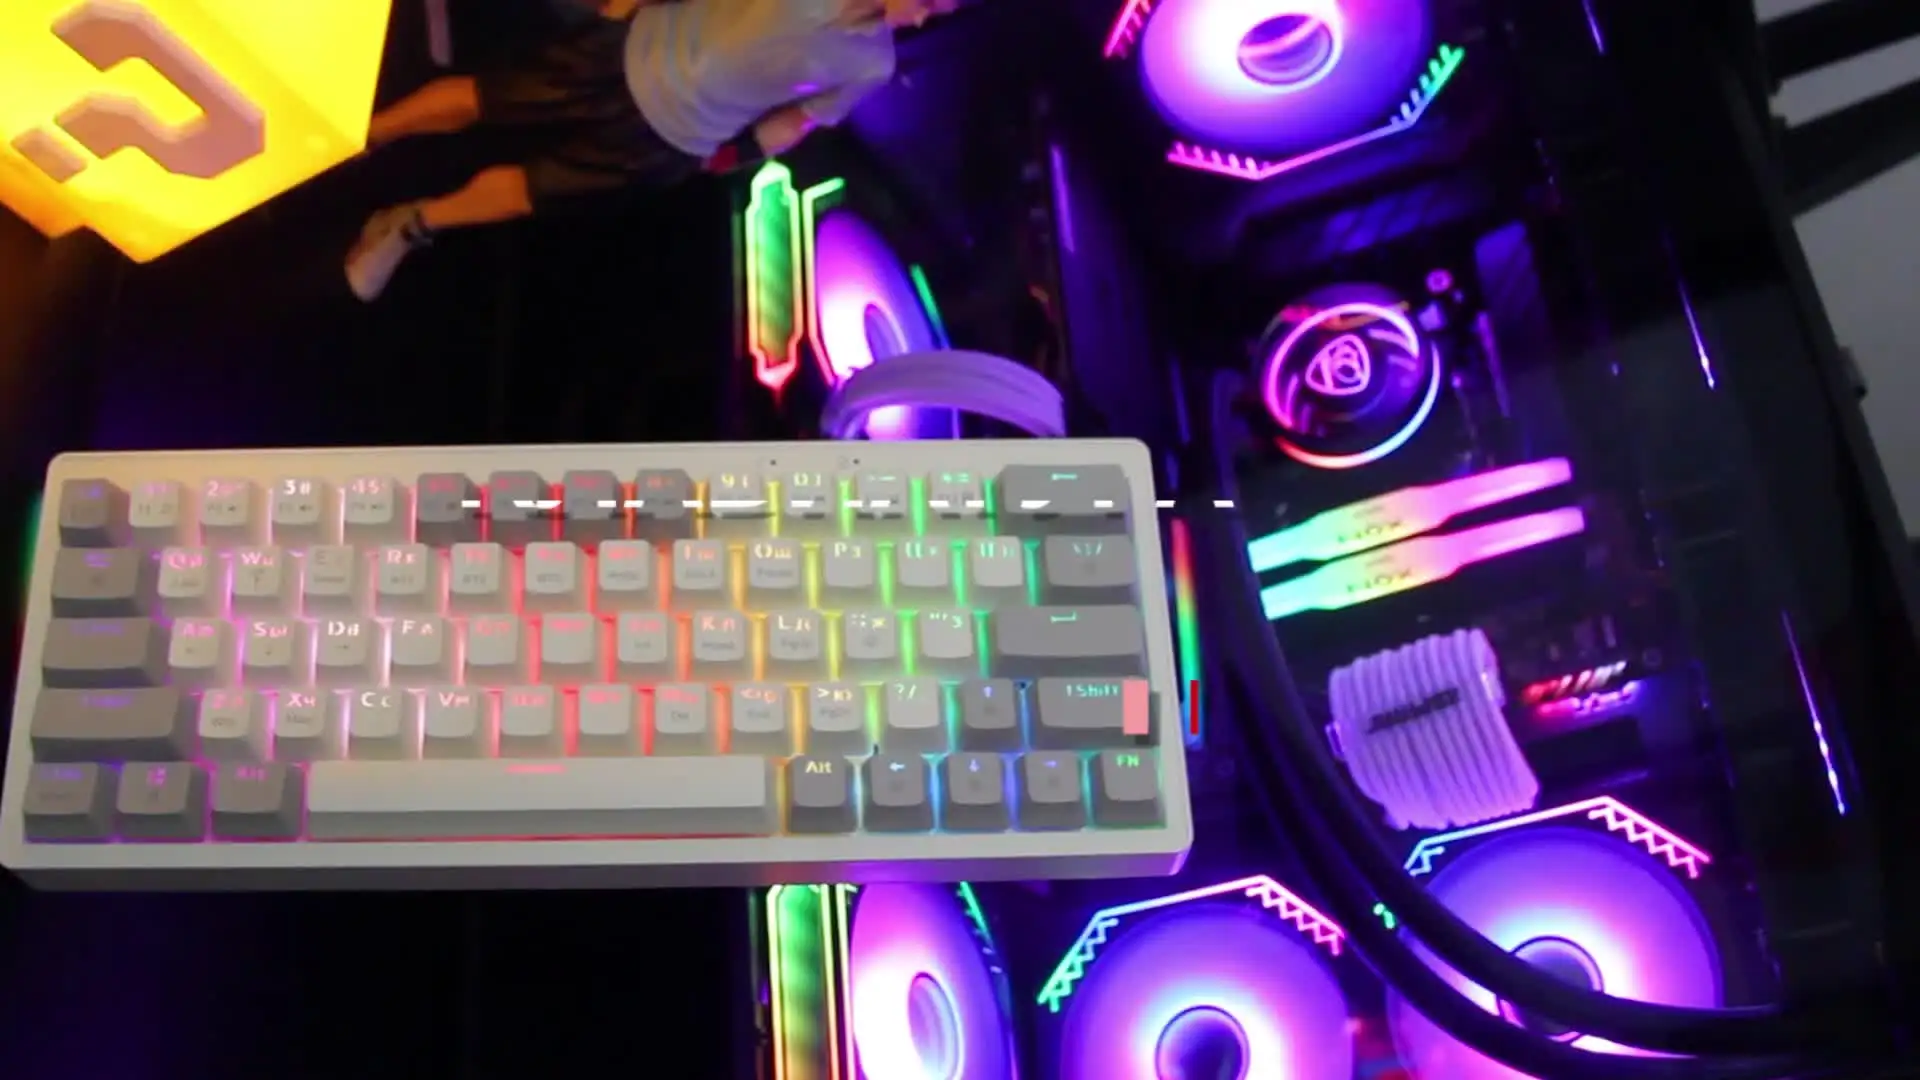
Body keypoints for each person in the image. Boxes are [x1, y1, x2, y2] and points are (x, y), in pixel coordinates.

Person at [344, 0, 959, 302]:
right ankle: (361, 135)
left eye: (936, 11)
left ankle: (409, 224)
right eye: (930, 1)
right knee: (485, 98)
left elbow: (797, 121)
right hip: (631, 53)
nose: (921, 17)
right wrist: (616, 14)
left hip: (674, 138)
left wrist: (728, 157)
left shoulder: (872, 64)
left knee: (531, 191)